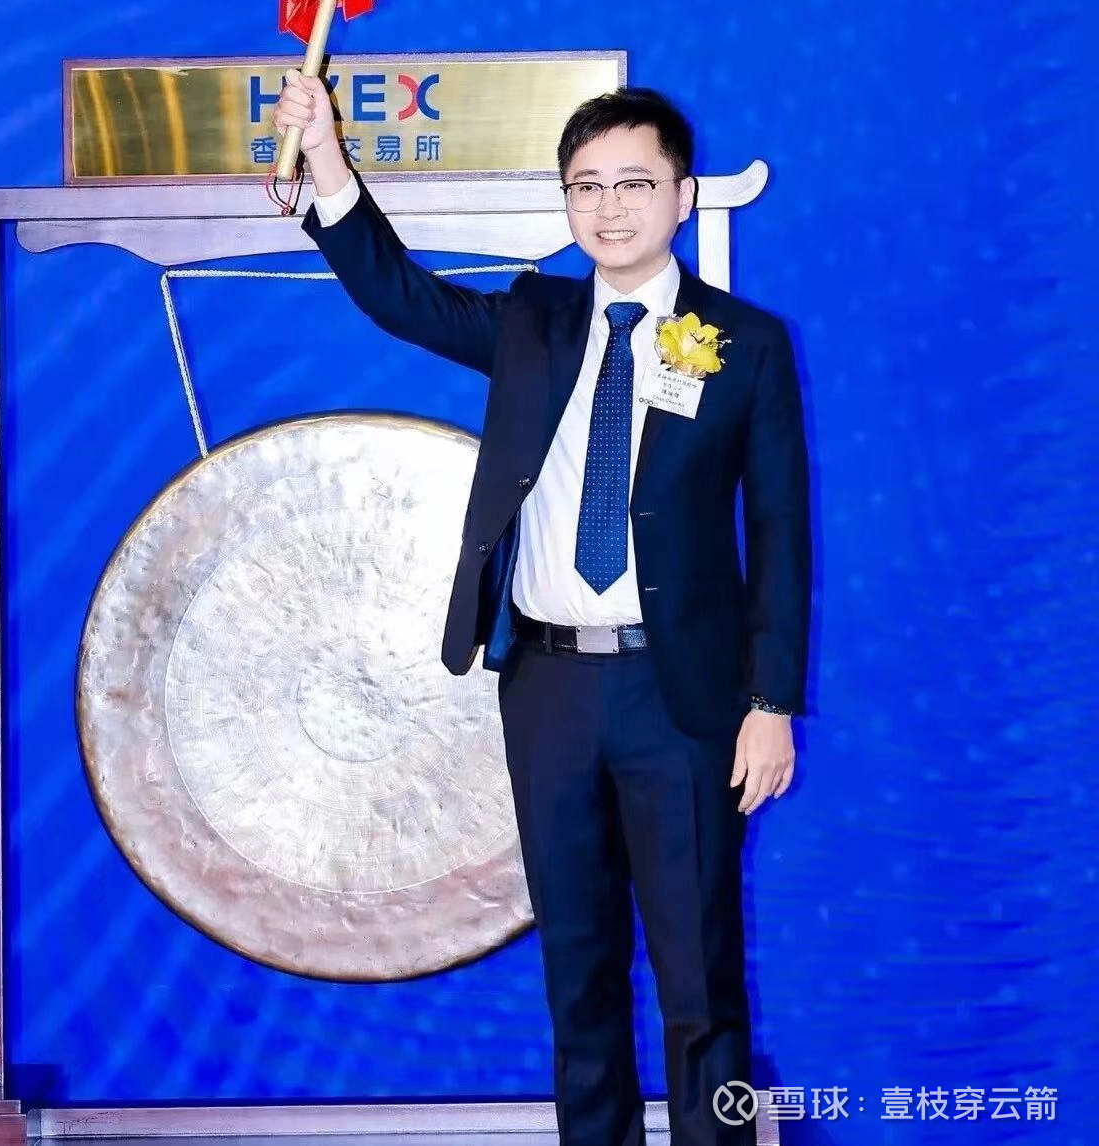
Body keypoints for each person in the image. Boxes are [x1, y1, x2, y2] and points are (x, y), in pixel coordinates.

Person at [273, 70, 812, 1146]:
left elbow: (781, 533)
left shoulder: (743, 342)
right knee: (579, 967)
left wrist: (770, 703)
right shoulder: (533, 321)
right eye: (585, 186)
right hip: (549, 687)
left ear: (680, 195)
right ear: (567, 201)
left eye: (634, 183)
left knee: (701, 976)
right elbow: (398, 295)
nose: (609, 207)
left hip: (683, 698)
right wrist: (326, 156)